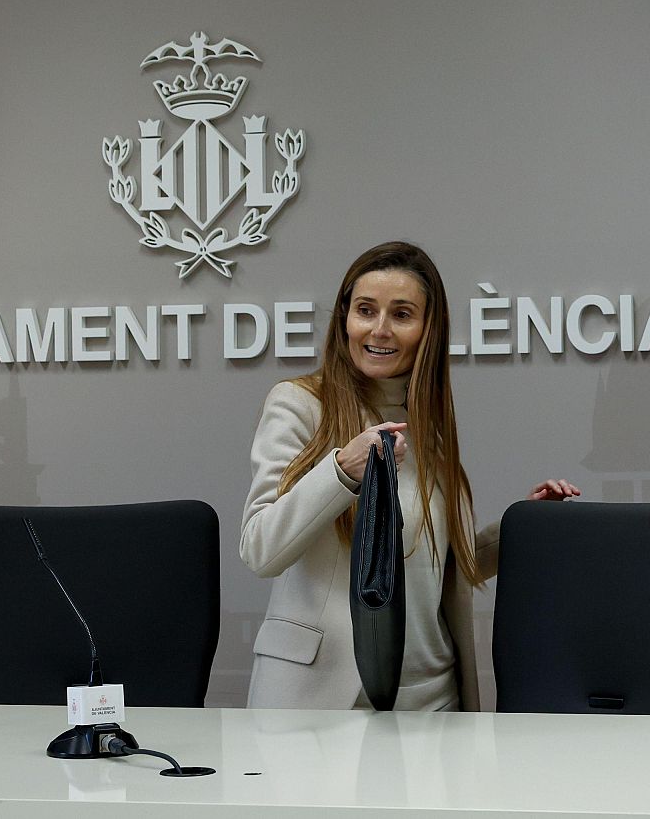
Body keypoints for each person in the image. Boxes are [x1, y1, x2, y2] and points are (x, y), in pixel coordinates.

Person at [240, 241, 579, 711]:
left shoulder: (429, 425)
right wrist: (342, 471)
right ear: (344, 319)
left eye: (402, 314)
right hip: (323, 698)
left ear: (428, 329)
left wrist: (523, 527)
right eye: (365, 310)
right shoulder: (299, 404)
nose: (379, 329)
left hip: (432, 696)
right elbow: (261, 549)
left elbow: (435, 566)